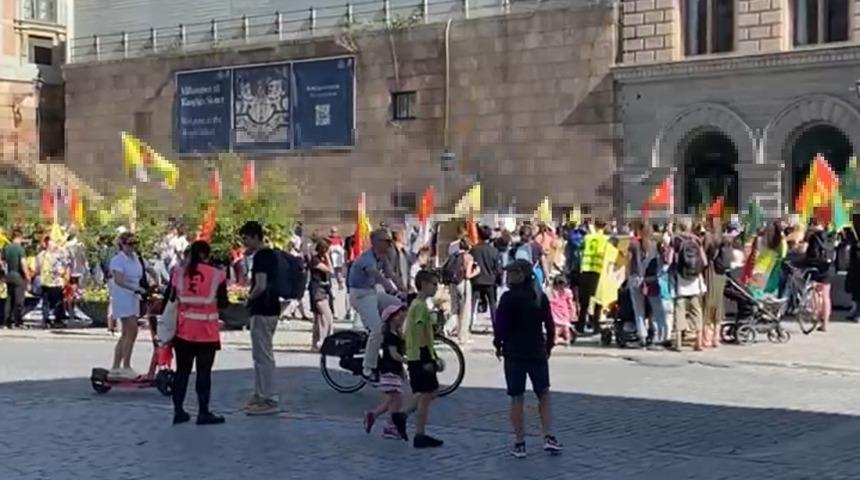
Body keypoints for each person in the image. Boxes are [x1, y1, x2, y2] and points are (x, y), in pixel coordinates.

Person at [494, 259, 562, 459]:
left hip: (514, 353)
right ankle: (549, 436)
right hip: (536, 351)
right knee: (544, 394)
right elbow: (550, 325)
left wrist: (498, 344)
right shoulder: (539, 296)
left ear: (520, 275)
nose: (507, 276)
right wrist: (548, 346)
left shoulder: (508, 298)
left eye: (511, 273)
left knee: (517, 397)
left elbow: (501, 326)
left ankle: (520, 441)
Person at [165, 240, 228, 426]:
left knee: (182, 372)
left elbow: (169, 297)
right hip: (207, 332)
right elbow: (224, 303)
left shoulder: (178, 272)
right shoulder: (217, 274)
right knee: (203, 373)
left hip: (183, 330)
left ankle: (178, 411)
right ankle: (203, 412)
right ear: (207, 255)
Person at [348, 228, 403, 383]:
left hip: (372, 294)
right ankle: (367, 368)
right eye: (386, 241)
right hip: (360, 295)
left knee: (399, 305)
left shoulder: (382, 257)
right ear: (376, 243)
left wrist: (406, 290)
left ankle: (391, 339)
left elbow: (392, 275)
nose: (389, 244)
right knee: (376, 330)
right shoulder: (367, 259)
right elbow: (378, 276)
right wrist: (392, 290)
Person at [240, 221, 281, 415]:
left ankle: (269, 398)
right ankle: (260, 394)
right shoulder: (271, 255)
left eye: (246, 238)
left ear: (255, 236)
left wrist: (248, 298)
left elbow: (261, 285)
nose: (245, 243)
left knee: (263, 355)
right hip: (271, 308)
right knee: (260, 354)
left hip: (263, 309)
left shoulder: (262, 256)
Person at [405, 269, 443, 448]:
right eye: (434, 284)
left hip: (417, 354)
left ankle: (403, 417)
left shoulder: (416, 304)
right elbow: (420, 332)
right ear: (425, 284)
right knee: (426, 395)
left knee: (428, 392)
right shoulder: (420, 306)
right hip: (420, 355)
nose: (436, 288)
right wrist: (428, 359)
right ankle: (419, 433)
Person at [364, 304, 409, 441]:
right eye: (398, 315)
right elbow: (394, 355)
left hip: (393, 370)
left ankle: (375, 416)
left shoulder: (397, 335)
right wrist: (407, 361)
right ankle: (389, 425)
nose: (401, 317)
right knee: (395, 399)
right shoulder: (390, 336)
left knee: (392, 400)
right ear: (391, 319)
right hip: (389, 370)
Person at [108, 232, 146, 380]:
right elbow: (118, 280)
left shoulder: (136, 258)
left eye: (135, 244)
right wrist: (134, 288)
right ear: (122, 245)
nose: (133, 247)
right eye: (129, 244)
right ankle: (126, 366)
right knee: (131, 331)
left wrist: (156, 280)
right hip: (123, 297)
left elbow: (146, 269)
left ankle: (116, 367)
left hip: (134, 297)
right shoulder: (118, 260)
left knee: (127, 334)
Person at [671, 220, 708, 351]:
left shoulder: (676, 240)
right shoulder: (696, 240)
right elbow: (704, 261)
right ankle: (698, 342)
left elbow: (670, 259)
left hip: (681, 281)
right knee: (697, 311)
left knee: (679, 311)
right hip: (695, 282)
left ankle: (679, 343)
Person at [444, 238, 480, 345]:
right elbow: (468, 275)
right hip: (463, 284)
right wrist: (476, 272)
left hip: (452, 283)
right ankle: (462, 335)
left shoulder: (453, 256)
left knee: (454, 308)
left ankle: (449, 327)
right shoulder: (468, 257)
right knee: (465, 310)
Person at [578, 219, 609, 334]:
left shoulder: (587, 238)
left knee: (584, 302)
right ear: (604, 226)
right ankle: (596, 325)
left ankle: (580, 325)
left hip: (586, 270)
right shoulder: (606, 240)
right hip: (598, 271)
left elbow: (580, 249)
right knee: (598, 300)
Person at [627, 222, 654, 348]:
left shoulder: (633, 243)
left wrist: (626, 276)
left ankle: (642, 335)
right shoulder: (652, 244)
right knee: (652, 307)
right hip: (650, 279)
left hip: (636, 277)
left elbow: (628, 260)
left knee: (639, 309)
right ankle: (653, 333)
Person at [469, 225, 501, 327]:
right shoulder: (494, 251)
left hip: (476, 280)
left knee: (472, 304)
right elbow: (498, 268)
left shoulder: (474, 250)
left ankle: (468, 324)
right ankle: (496, 325)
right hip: (490, 281)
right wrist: (499, 280)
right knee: (493, 305)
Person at [804, 218, 833, 332]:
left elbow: (810, 255)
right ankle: (825, 323)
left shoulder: (814, 237)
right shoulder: (831, 236)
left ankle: (815, 316)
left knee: (816, 293)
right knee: (826, 296)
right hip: (829, 268)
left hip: (816, 268)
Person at [35, 236, 70, 328]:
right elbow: (64, 268)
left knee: (46, 302)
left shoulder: (40, 255)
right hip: (56, 282)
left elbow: (37, 269)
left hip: (45, 281)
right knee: (57, 302)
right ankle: (57, 320)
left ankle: (46, 320)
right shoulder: (59, 255)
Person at [309, 239, 335, 352]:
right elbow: (329, 270)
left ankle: (315, 344)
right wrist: (328, 257)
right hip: (317, 290)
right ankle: (322, 342)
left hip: (324, 290)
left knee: (319, 318)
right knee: (326, 316)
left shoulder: (323, 259)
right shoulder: (315, 260)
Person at [2, 229, 28, 328]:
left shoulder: (6, 248)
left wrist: (3, 275)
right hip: (18, 276)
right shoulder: (20, 249)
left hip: (8, 276)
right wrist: (27, 276)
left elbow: (2, 262)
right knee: (19, 300)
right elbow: (23, 263)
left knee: (9, 299)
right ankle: (18, 321)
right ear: (20, 237)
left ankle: (7, 321)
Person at [548, 276, 575, 345]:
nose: (561, 287)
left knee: (566, 328)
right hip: (555, 312)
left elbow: (570, 303)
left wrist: (572, 312)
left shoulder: (567, 292)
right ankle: (556, 339)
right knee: (556, 328)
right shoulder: (552, 291)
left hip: (564, 313)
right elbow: (550, 301)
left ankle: (567, 339)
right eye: (559, 285)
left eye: (563, 285)